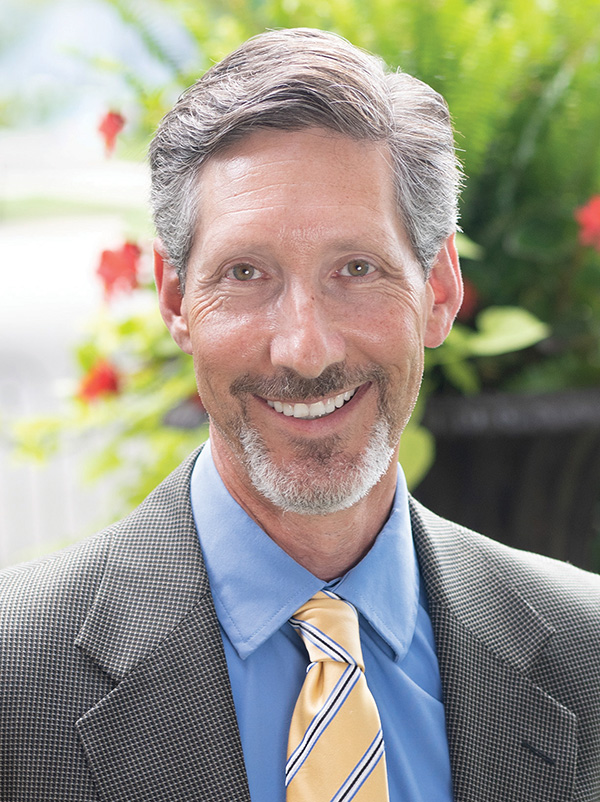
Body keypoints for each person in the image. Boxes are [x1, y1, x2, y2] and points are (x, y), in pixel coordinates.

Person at [1, 28, 599, 802]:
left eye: (356, 269)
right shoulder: (16, 679)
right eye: (246, 273)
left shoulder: (587, 655)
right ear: (176, 299)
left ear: (440, 289)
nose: (305, 351)